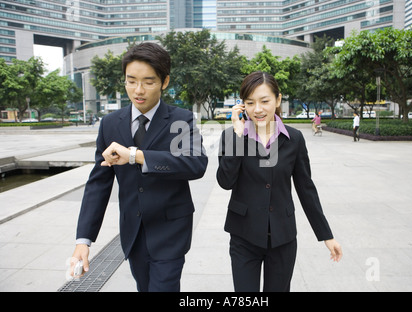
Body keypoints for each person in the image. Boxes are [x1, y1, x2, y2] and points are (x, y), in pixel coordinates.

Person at [70, 42, 208, 292]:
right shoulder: (110, 124)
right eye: (131, 81)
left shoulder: (180, 119)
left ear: (165, 82)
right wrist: (83, 240)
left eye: (148, 81)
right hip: (133, 233)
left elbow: (195, 163)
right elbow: (98, 184)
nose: (138, 90)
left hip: (171, 231)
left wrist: (136, 155)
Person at [216, 71, 342, 292]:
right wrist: (238, 135)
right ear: (242, 105)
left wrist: (326, 235)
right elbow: (225, 181)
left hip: (282, 238)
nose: (258, 109)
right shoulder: (231, 137)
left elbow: (306, 188)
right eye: (250, 102)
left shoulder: (294, 139)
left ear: (278, 99)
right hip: (244, 236)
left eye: (265, 101)